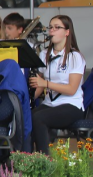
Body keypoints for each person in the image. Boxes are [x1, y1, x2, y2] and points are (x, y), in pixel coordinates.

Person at [28, 15, 85, 154]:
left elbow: (71, 89)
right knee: (27, 117)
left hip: (71, 104)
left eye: (57, 27)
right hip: (50, 103)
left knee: (39, 118)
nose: (52, 30)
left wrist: (46, 83)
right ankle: (27, 156)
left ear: (67, 32)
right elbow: (39, 84)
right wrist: (29, 100)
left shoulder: (75, 56)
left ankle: (44, 159)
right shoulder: (44, 54)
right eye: (50, 27)